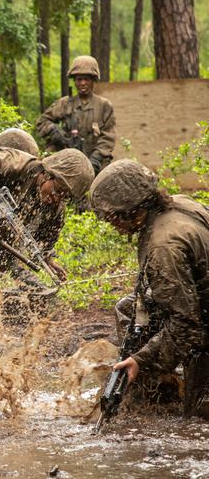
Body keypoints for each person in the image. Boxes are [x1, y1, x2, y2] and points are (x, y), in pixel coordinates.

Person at [91, 159, 209, 418]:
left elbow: (187, 327)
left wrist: (141, 360)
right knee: (129, 308)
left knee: (197, 416)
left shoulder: (163, 247)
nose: (110, 224)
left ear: (129, 210)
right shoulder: (180, 204)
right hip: (201, 305)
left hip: (200, 324)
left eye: (110, 216)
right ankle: (156, 393)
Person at [0, 148, 94, 309]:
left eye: (65, 196)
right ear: (48, 174)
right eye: (58, 190)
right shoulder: (14, 165)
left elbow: (45, 239)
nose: (56, 198)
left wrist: (48, 260)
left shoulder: (55, 209)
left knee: (42, 296)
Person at [35, 56, 116, 174]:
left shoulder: (104, 106)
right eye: (79, 79)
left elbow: (108, 138)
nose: (82, 83)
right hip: (66, 158)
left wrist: (96, 157)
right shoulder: (65, 103)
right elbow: (42, 121)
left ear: (93, 80)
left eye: (86, 79)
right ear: (75, 81)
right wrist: (54, 131)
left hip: (93, 158)